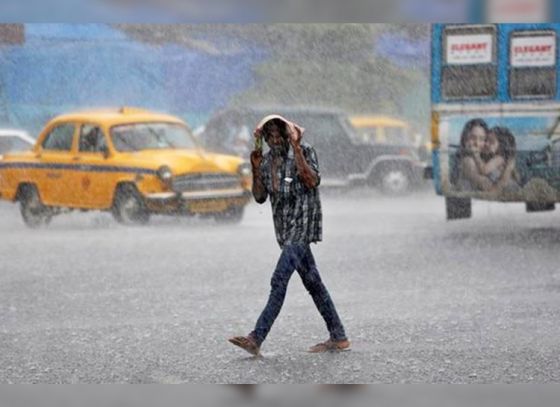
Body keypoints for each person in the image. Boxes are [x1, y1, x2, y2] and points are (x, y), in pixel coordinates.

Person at [228, 115, 349, 356]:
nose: (274, 140)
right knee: (313, 283)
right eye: (269, 136)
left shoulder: (305, 151)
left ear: (287, 134)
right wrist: (255, 167)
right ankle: (339, 336)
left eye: (278, 135)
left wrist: (296, 148)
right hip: (285, 231)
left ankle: (256, 337)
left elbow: (312, 180)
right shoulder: (267, 161)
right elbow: (260, 197)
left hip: (302, 227)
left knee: (278, 279)